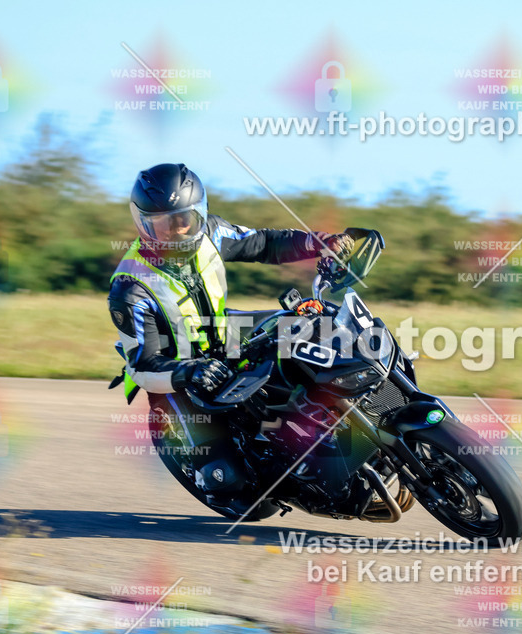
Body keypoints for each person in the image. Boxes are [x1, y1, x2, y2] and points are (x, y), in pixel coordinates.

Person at [107, 162, 352, 505]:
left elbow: (264, 243)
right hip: (177, 373)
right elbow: (143, 365)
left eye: (183, 220)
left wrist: (318, 243)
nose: (175, 231)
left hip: (225, 335)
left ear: (199, 213)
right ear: (142, 223)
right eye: (161, 224)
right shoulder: (129, 288)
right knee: (228, 480)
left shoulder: (213, 233)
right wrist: (188, 371)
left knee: (314, 323)